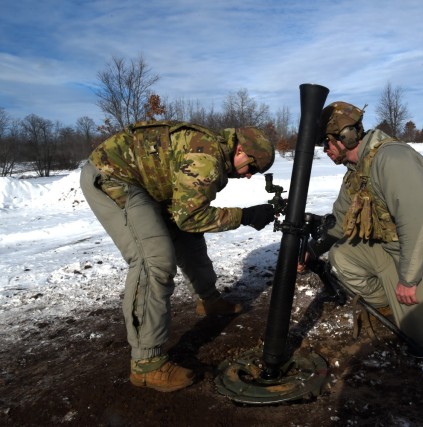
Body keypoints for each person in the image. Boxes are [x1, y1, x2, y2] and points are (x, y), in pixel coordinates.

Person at [80, 120, 276, 392]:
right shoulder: (206, 158)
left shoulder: (213, 154)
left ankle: (209, 300)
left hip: (145, 184)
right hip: (113, 177)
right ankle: (146, 364)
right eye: (252, 167)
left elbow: (187, 219)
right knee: (153, 259)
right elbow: (191, 216)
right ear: (240, 150)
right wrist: (245, 216)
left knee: (189, 239)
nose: (249, 175)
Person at [300, 102, 423, 352]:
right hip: (393, 249)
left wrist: (408, 279)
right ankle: (398, 305)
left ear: (346, 137)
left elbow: (422, 220)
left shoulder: (392, 159)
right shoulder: (356, 171)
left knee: (422, 334)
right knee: (342, 255)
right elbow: (341, 219)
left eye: (326, 143)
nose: (325, 150)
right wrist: (313, 249)